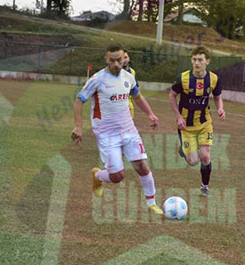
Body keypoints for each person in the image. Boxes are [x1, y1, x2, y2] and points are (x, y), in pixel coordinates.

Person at [71, 44, 163, 215]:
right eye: (112, 60)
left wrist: (150, 113)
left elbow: (137, 96)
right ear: (106, 59)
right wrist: (78, 126)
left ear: (124, 58)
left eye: (119, 60)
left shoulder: (129, 77)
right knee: (117, 177)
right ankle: (97, 176)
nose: (116, 63)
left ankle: (151, 203)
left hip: (129, 131)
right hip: (107, 134)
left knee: (142, 166)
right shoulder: (97, 79)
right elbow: (79, 100)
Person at [168, 47, 225, 197]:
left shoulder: (213, 79)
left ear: (207, 61)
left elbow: (218, 97)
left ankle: (205, 187)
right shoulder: (183, 78)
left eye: (200, 60)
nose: (197, 63)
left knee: (205, 157)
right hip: (186, 126)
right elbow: (172, 96)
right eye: (194, 59)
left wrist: (220, 108)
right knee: (193, 161)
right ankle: (184, 149)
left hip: (205, 124)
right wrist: (178, 117)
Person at [122, 49, 137, 118]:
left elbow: (136, 89)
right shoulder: (115, 72)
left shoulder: (132, 72)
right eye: (122, 58)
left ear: (129, 58)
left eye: (126, 57)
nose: (124, 60)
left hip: (129, 105)